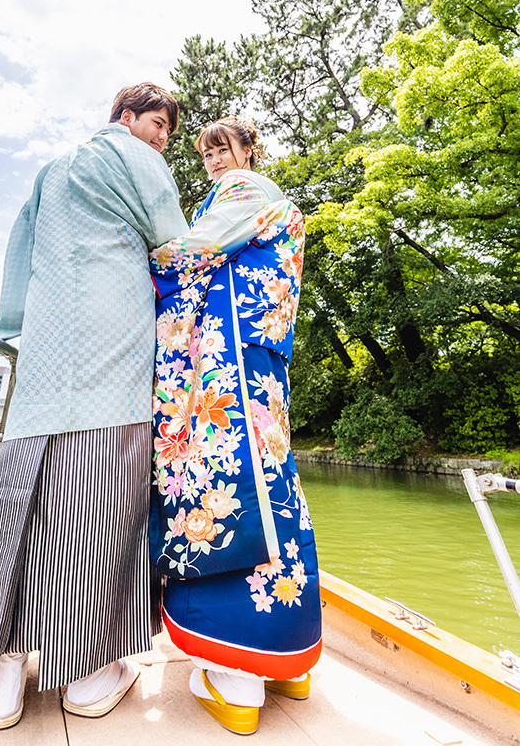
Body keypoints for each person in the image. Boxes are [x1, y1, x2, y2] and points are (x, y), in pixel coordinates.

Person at [0, 83, 189, 730]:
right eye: (156, 123)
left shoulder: (51, 170)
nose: (162, 138)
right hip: (109, 347)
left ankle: (0, 675)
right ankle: (87, 674)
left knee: (18, 504)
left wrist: (18, 323)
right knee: (101, 504)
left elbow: (19, 260)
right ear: (126, 117)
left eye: (167, 131)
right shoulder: (136, 159)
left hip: (45, 350)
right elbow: (175, 247)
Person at [149, 117, 322, 735]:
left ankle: (235, 676)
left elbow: (191, 254)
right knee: (273, 484)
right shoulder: (267, 201)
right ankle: (289, 661)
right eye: (208, 153)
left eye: (223, 148)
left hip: (225, 360)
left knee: (223, 487)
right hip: (257, 360)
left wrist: (139, 264)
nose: (215, 160)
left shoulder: (247, 190)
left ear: (249, 150)